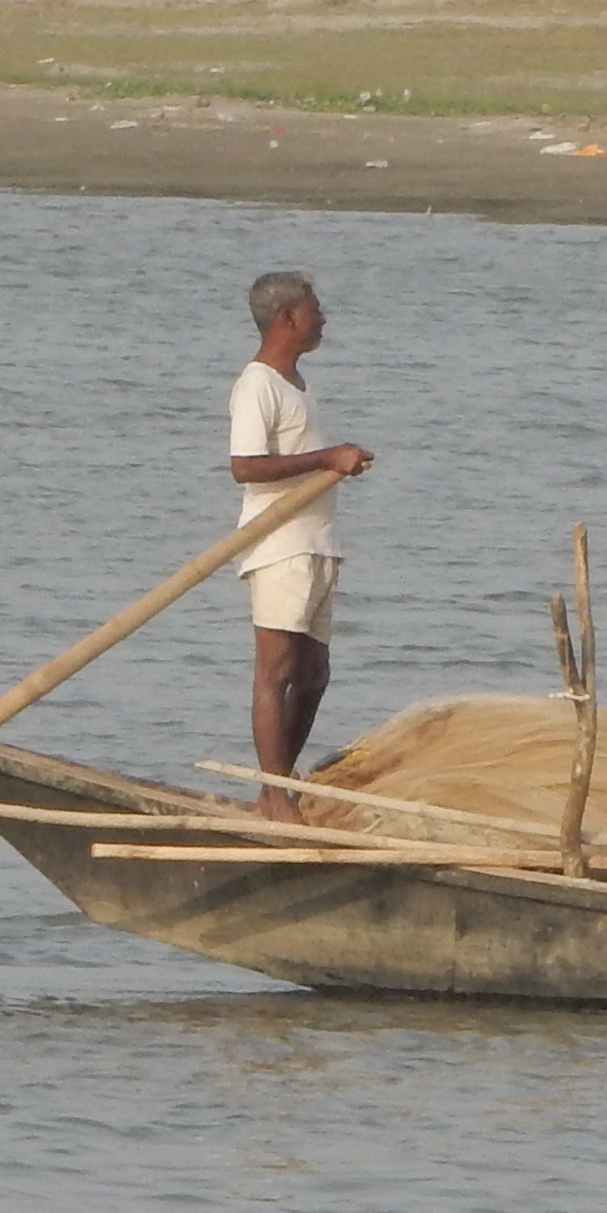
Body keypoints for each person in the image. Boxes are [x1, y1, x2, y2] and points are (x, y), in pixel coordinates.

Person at [226, 270, 373, 820]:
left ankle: (278, 786)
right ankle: (272, 794)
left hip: (318, 543)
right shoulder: (258, 384)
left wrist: (335, 460)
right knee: (277, 669)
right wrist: (327, 458)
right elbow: (245, 467)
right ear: (288, 317)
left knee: (313, 673)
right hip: (280, 545)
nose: (323, 318)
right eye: (314, 309)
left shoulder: (295, 386)